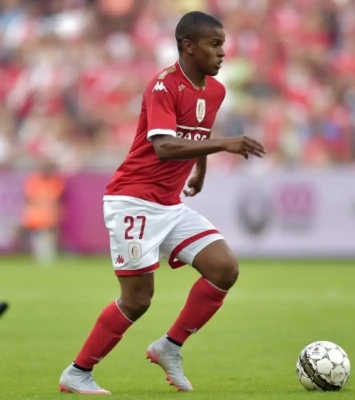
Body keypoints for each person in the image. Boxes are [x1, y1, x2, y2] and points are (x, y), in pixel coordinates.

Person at [58, 11, 266, 395]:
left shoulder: (215, 91)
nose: (223, 52)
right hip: (133, 200)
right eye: (215, 44)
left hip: (170, 204)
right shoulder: (163, 86)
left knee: (224, 268)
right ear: (189, 46)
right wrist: (225, 144)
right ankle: (78, 372)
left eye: (223, 44)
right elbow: (165, 146)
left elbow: (198, 133)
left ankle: (169, 346)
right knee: (138, 300)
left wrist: (200, 171)